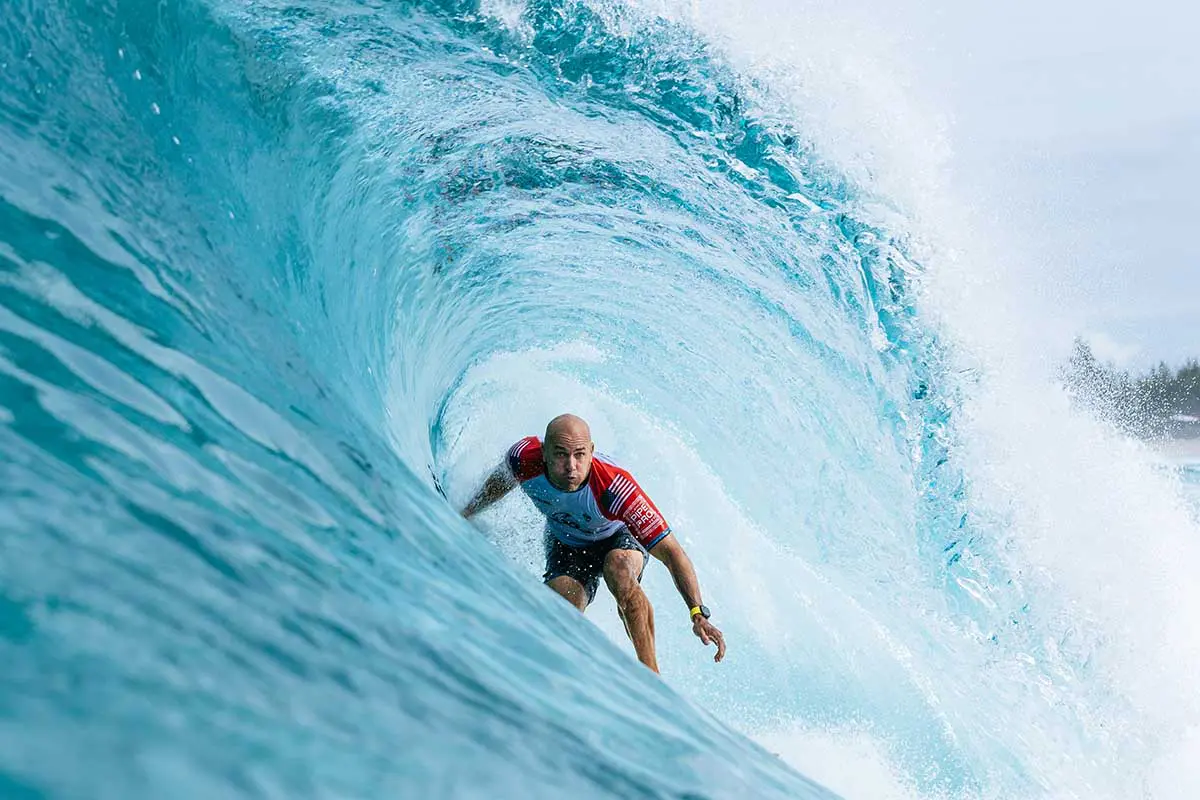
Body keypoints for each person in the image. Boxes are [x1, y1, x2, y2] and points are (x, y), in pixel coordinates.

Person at [461, 414, 726, 673]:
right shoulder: (523, 459)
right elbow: (495, 486)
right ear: (544, 453)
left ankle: (651, 677)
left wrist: (697, 612)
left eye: (579, 455)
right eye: (561, 454)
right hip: (566, 541)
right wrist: (463, 514)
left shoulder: (615, 488)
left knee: (619, 569)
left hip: (618, 537)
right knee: (563, 604)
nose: (571, 466)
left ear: (591, 452)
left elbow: (672, 553)